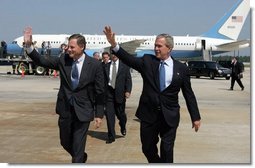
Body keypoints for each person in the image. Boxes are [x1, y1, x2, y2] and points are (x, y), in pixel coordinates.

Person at [103, 26, 201, 163]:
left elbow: (188, 94)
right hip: (149, 115)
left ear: (169, 48)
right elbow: (128, 59)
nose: (156, 48)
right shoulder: (147, 61)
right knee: (147, 148)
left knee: (167, 150)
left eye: (159, 46)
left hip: (170, 116)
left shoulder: (181, 68)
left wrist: (195, 117)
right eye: (155, 45)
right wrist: (114, 44)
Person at [23, 27, 105, 163]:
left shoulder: (95, 65)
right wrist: (29, 46)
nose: (68, 49)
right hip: (65, 109)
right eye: (68, 46)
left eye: (72, 47)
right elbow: (42, 61)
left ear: (82, 47)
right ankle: (80, 157)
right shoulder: (63, 60)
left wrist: (99, 114)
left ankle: (78, 160)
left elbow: (100, 91)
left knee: (78, 146)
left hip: (83, 111)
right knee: (65, 143)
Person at [103, 53, 132, 144]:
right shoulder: (106, 66)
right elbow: (102, 80)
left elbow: (128, 80)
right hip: (109, 94)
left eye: (116, 54)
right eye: (112, 54)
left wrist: (128, 91)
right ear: (110, 55)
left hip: (120, 94)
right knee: (109, 115)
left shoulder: (125, 66)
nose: (114, 55)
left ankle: (122, 125)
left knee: (121, 115)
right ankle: (111, 136)